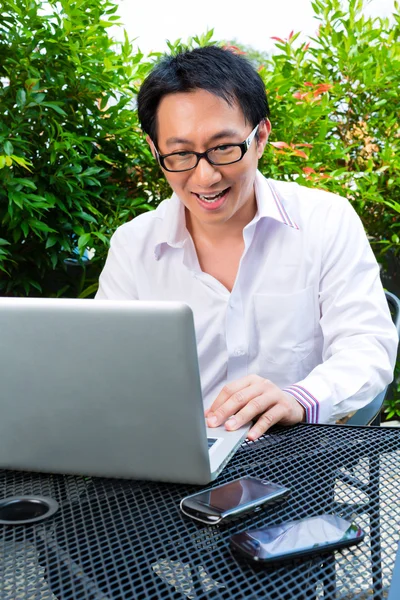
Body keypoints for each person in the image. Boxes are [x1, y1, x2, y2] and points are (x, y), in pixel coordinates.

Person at [96, 45, 397, 440]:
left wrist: (299, 399)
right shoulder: (133, 247)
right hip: (173, 454)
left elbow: (367, 346)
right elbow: (107, 367)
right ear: (156, 150)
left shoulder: (325, 220)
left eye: (223, 148)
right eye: (180, 153)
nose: (204, 177)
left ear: (260, 138)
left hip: (295, 451)